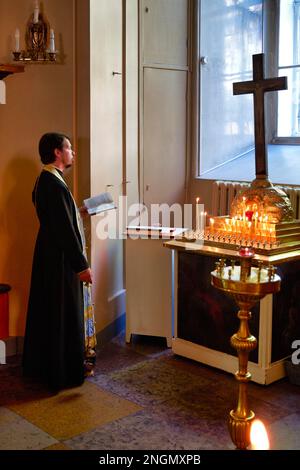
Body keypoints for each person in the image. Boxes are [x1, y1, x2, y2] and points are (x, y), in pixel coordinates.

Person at [23, 132, 94, 391]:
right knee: (63, 312)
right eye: (69, 148)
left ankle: (48, 367)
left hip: (50, 254)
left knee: (52, 312)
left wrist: (79, 211)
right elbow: (64, 229)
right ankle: (63, 372)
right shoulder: (53, 184)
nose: (73, 152)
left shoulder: (48, 180)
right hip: (60, 259)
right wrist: (82, 266)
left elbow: (59, 218)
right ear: (57, 152)